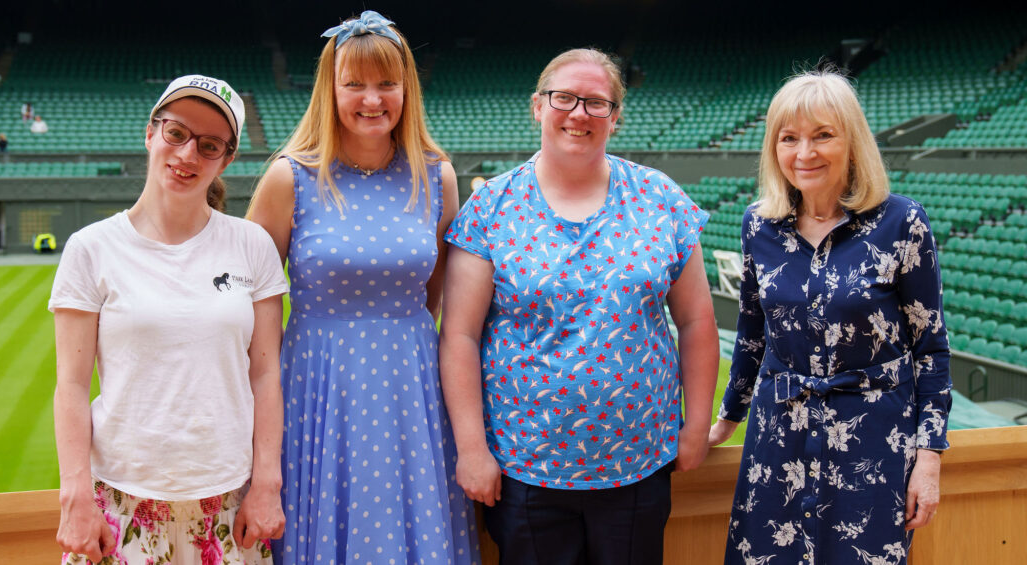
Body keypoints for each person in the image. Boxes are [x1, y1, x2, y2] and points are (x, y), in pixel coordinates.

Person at [440, 47, 719, 564]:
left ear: (615, 117)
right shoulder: (491, 208)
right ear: (537, 106)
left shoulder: (660, 199)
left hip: (638, 464)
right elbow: (459, 334)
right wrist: (473, 448)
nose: (578, 113)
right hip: (526, 466)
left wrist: (696, 424)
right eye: (563, 97)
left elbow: (697, 319)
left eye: (596, 102)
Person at [245, 10, 479, 564]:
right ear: (331, 90)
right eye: (354, 84)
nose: (371, 99)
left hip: (412, 387)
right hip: (316, 389)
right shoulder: (289, 177)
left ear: (406, 89)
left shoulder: (436, 175)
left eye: (386, 84)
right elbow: (247, 306)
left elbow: (437, 298)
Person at [708, 69, 951, 565]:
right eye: (789, 138)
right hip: (779, 435)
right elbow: (753, 334)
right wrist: (727, 417)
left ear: (853, 142)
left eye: (823, 135)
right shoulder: (759, 223)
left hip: (875, 442)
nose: (804, 153)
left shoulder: (902, 222)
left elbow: (930, 347)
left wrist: (929, 459)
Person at [49, 74, 288, 565]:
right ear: (151, 133)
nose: (187, 155)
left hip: (228, 500)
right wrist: (74, 497)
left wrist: (267, 483)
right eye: (176, 133)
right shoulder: (91, 248)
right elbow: (71, 386)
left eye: (209, 145)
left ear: (226, 158)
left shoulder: (252, 245)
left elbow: (265, 375)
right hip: (120, 500)